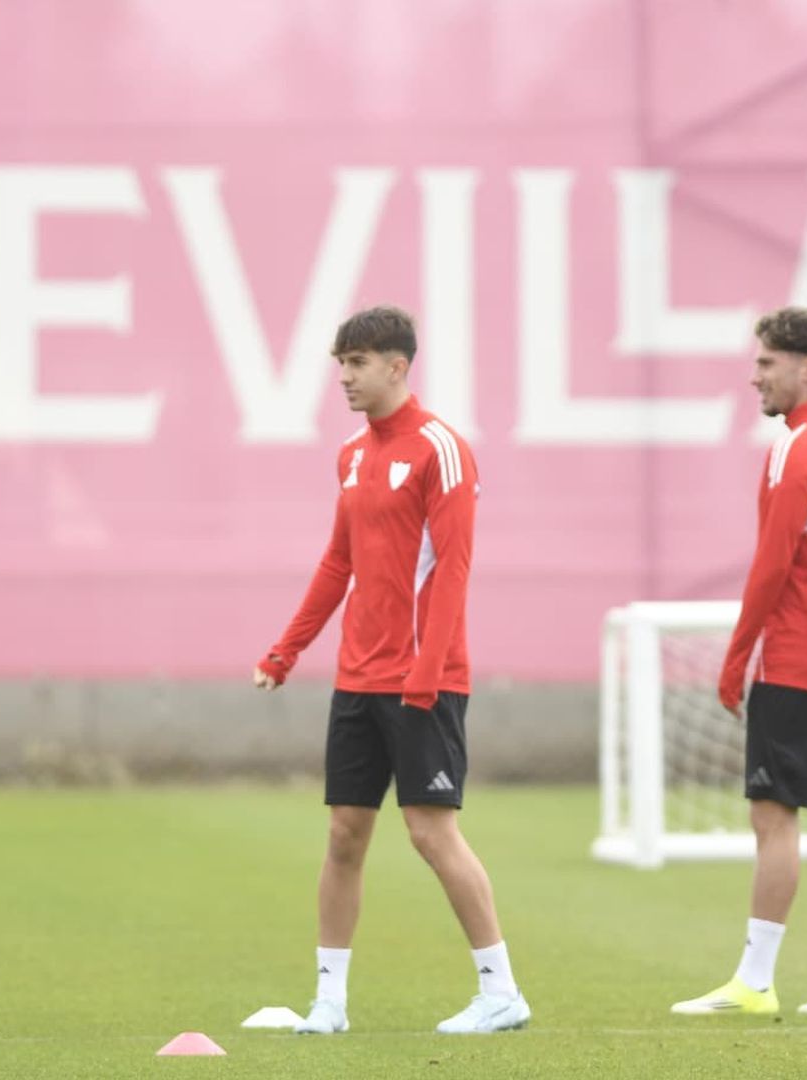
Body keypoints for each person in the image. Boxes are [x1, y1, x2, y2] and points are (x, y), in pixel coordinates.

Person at [254, 305, 530, 1035]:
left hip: (422, 681)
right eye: (340, 363)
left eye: (358, 363)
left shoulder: (443, 449)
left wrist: (426, 674)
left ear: (398, 366)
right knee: (345, 833)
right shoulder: (351, 455)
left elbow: (454, 571)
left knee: (431, 833)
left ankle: (501, 991)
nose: (344, 377)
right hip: (357, 679)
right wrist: (288, 650)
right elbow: (337, 562)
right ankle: (330, 1003)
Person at [671, 307, 807, 1018]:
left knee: (774, 816)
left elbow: (771, 567)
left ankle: (754, 982)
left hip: (797, 662)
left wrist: (737, 660)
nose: (754, 376)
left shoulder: (797, 449)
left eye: (766, 364)